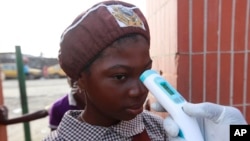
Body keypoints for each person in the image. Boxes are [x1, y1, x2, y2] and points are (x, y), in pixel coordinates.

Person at [43, 1, 247, 141]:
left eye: (145, 73)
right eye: (120, 76)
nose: (139, 90)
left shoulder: (162, 130)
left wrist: (239, 134)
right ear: (80, 78)